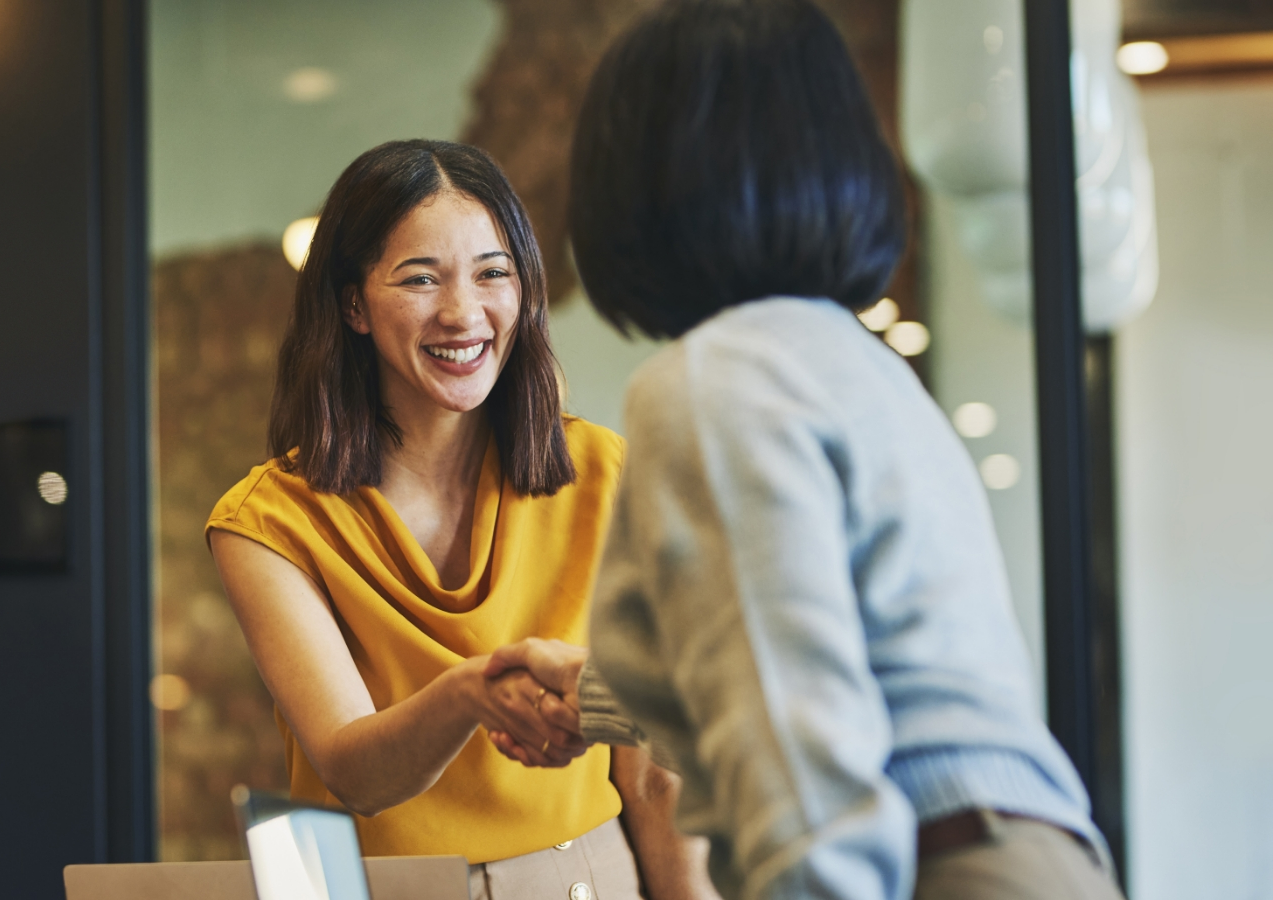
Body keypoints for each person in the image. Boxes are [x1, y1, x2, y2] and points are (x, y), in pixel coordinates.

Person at [482, 2, 1127, 899]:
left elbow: (797, 758)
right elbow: (833, 656)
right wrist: (593, 698)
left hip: (935, 867)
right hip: (1021, 855)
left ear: (639, 179)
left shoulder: (715, 385)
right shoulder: (850, 364)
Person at [206, 139, 713, 900]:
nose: (463, 312)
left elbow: (655, 779)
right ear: (353, 305)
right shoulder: (266, 523)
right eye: (419, 278)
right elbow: (354, 772)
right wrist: (470, 692)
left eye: (492, 274)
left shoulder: (607, 474)